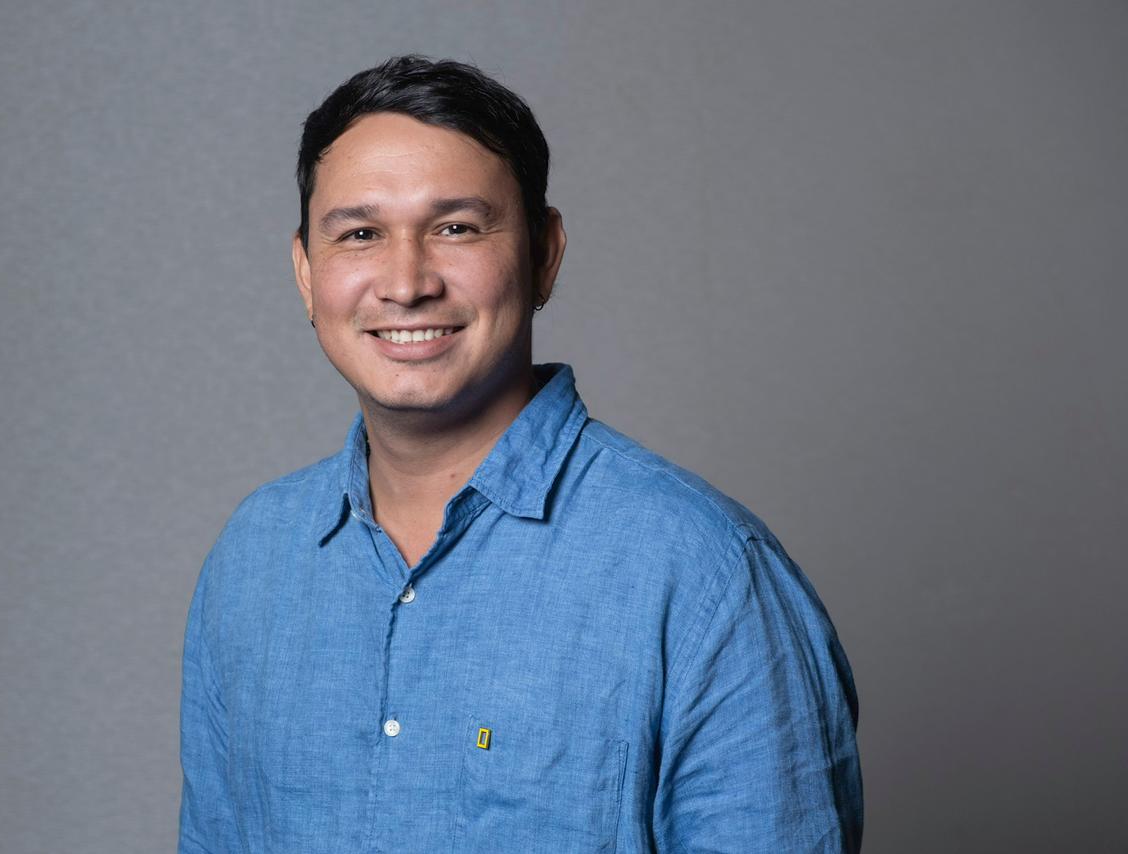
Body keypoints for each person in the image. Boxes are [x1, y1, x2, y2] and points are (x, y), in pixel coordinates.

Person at [179, 55, 862, 853]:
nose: (406, 282)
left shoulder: (704, 574)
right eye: (361, 234)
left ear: (544, 253)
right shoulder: (253, 560)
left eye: (456, 228)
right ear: (305, 271)